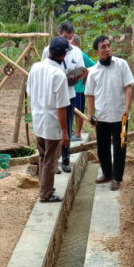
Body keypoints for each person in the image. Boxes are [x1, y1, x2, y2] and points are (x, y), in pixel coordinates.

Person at [85, 36, 134, 191]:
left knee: (120, 147)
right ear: (97, 51)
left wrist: (127, 107)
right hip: (102, 117)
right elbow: (90, 95)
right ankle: (107, 173)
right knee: (102, 147)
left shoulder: (121, 65)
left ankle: (116, 177)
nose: (107, 50)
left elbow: (128, 87)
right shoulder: (93, 72)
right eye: (103, 47)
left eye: (108, 46)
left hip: (121, 115)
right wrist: (90, 114)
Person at [26, 36, 71, 203]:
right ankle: (45, 194)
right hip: (51, 122)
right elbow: (61, 107)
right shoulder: (58, 74)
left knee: (43, 156)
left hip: (38, 119)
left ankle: (44, 188)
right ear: (63, 55)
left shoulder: (36, 67)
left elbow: (30, 92)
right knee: (51, 160)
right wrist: (65, 132)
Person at [41, 21, 84, 172]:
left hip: (69, 94)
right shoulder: (48, 50)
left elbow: (80, 71)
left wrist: (74, 77)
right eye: (65, 37)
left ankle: (65, 160)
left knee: (67, 126)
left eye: (71, 37)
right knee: (54, 127)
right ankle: (54, 161)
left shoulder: (76, 52)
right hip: (52, 96)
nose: (68, 41)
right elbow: (44, 71)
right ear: (59, 34)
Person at [70, 34, 95, 141]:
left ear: (77, 44)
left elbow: (93, 66)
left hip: (79, 89)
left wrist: (84, 78)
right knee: (70, 111)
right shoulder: (69, 54)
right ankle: (71, 131)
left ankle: (78, 133)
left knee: (78, 112)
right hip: (69, 89)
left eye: (71, 43)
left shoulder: (81, 54)